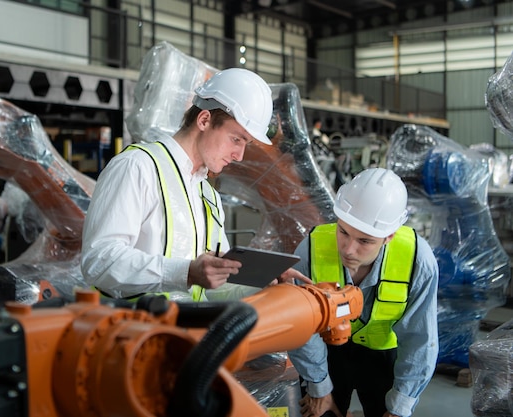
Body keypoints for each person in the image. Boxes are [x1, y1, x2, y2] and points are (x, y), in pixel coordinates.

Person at [80, 68, 275, 301]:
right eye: (236, 139)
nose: (239, 155)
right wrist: (186, 272)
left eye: (246, 144)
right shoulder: (138, 167)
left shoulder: (207, 196)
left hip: (191, 332)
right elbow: (98, 261)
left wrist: (261, 281)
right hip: (136, 331)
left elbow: (214, 289)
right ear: (204, 120)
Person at [285, 167, 439, 417]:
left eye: (365, 241)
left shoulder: (418, 261)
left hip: (383, 354)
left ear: (388, 236)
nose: (348, 249)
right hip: (325, 351)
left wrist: (400, 405)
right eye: (343, 231)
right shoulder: (309, 251)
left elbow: (420, 338)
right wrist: (319, 388)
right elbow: (302, 329)